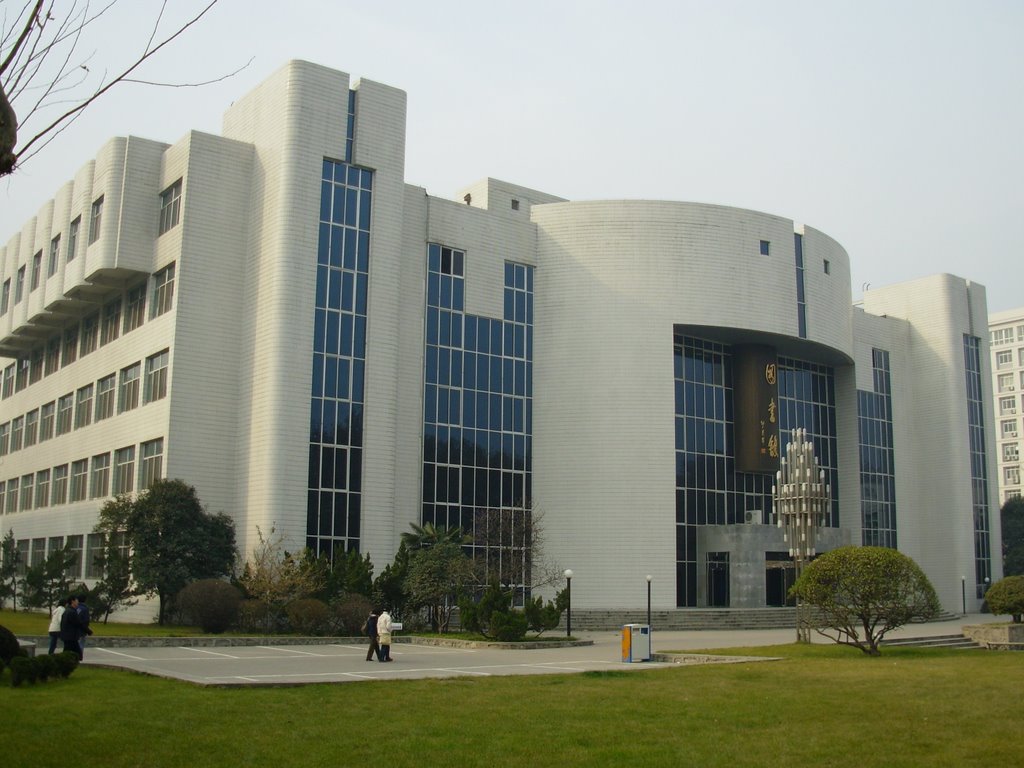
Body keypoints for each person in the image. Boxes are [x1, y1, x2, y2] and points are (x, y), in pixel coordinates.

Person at [60, 595, 88, 659]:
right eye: (76, 600)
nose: (77, 602)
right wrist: (88, 631)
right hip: (70, 636)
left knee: (69, 652)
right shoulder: (71, 612)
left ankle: (68, 663)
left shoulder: (68, 611)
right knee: (77, 653)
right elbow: (78, 623)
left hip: (68, 636)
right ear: (73, 601)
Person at [76, 593, 91, 659]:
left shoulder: (75, 607)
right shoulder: (85, 609)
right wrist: (87, 630)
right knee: (81, 644)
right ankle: (79, 657)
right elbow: (86, 621)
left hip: (74, 630)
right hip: (82, 630)